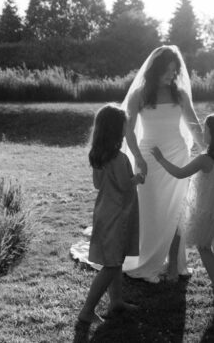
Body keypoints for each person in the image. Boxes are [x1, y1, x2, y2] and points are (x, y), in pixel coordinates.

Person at [121, 45, 203, 282]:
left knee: (177, 210)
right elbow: (128, 129)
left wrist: (210, 150)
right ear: (155, 70)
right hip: (148, 156)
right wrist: (137, 156)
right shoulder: (139, 95)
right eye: (166, 71)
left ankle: (173, 265)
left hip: (177, 154)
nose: (171, 75)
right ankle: (148, 259)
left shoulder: (180, 94)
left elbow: (194, 125)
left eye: (174, 71)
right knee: (151, 209)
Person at [151, 113, 214, 304]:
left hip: (207, 210)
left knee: (203, 246)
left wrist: (160, 159)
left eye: (206, 129)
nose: (203, 132)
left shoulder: (204, 159)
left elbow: (180, 173)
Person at [76, 104, 143, 328]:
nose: (127, 126)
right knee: (112, 265)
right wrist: (138, 178)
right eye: (125, 123)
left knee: (115, 259)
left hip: (104, 211)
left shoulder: (99, 156)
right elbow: (125, 185)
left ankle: (116, 302)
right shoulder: (119, 158)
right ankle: (87, 310)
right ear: (116, 128)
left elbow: (97, 184)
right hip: (118, 214)